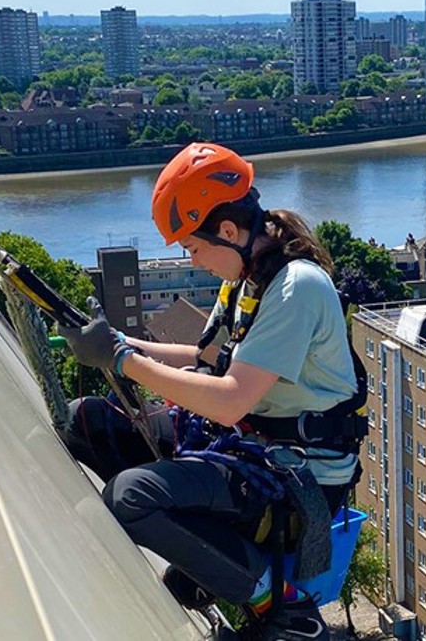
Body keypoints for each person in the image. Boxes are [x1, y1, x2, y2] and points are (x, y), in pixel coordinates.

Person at [59, 142, 366, 641]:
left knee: (131, 497)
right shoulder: (248, 279)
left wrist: (121, 361)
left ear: (227, 231)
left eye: (194, 248)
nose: (195, 261)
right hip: (251, 452)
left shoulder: (297, 287)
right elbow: (205, 361)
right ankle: (216, 554)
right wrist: (117, 341)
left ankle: (280, 604)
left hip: (297, 482)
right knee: (86, 421)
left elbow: (228, 400)